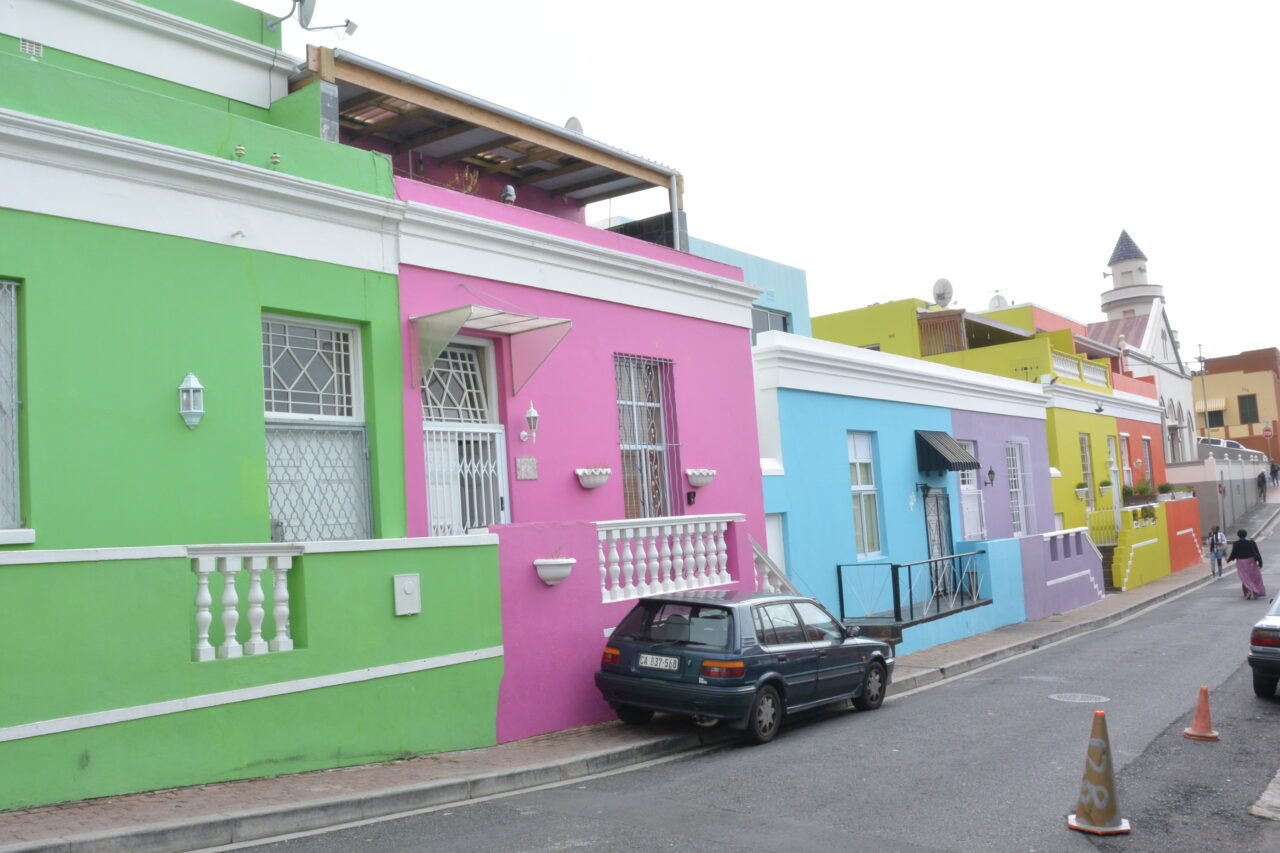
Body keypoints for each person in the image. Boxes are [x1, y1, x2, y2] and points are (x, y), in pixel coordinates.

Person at [1226, 529, 1266, 599]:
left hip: (1241, 563)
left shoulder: (1236, 543)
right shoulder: (1251, 542)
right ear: (1246, 534)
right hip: (1251, 561)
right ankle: (1255, 592)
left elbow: (1233, 553)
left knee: (1245, 578)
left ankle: (1249, 591)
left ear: (1238, 535)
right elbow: (1257, 552)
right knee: (1254, 577)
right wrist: (1260, 562)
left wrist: (1229, 560)